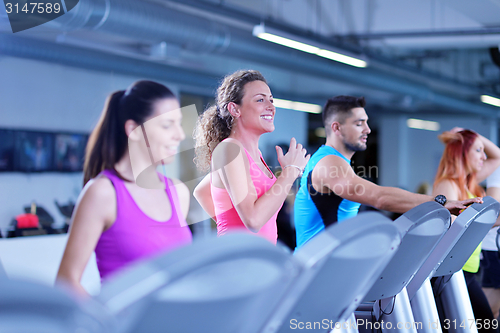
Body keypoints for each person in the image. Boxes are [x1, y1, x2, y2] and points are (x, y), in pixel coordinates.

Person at [56, 80, 192, 295]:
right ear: (134, 130)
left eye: (179, 123)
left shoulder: (178, 192)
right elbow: (66, 282)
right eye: (167, 125)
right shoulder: (103, 193)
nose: (179, 135)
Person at [294, 95, 482, 249]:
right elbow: (379, 197)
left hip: (330, 264)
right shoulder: (329, 164)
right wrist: (441, 202)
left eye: (367, 123)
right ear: (336, 127)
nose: (367, 129)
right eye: (359, 123)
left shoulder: (335, 161)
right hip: (317, 271)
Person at [193, 70, 309, 245]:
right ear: (235, 109)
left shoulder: (255, 155)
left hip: (259, 256)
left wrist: (231, 224)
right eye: (260, 100)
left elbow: (202, 192)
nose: (271, 106)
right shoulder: (230, 149)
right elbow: (254, 221)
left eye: (271, 99)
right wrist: (290, 172)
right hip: (240, 260)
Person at [433, 128, 500, 331]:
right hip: (452, 272)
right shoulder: (449, 185)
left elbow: (498, 156)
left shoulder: (467, 182)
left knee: (483, 323)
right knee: (483, 324)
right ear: (463, 153)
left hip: (466, 270)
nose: (483, 156)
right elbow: (454, 229)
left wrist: (471, 135)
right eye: (478, 150)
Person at [483, 166, 500, 319]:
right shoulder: (497, 169)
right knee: (490, 312)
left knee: (492, 311)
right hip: (494, 249)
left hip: (493, 249)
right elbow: (492, 216)